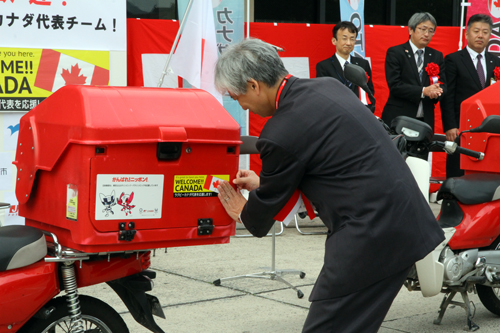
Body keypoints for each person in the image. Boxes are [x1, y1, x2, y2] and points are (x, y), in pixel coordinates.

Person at [213, 38, 445, 333]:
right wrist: (266, 182)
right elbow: (333, 164)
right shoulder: (327, 86)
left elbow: (261, 216)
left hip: (372, 233)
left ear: (254, 85)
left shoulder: (280, 130)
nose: (241, 104)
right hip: (404, 220)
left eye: (237, 96)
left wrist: (245, 211)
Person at [440, 14, 500, 178]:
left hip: (489, 128)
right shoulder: (453, 60)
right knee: (458, 168)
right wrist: (450, 126)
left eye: (485, 32)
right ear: (467, 34)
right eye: (476, 31)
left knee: (484, 170)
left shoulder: (495, 62)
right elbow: (448, 96)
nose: (480, 35)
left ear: (490, 36)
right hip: (462, 126)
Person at [381, 12, 446, 131]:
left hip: (425, 120)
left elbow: (443, 84)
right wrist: (423, 91)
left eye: (431, 31)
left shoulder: (436, 56)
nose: (426, 34)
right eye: (422, 29)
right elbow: (395, 85)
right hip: (399, 118)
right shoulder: (396, 53)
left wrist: (436, 92)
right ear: (411, 30)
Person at [316, 21, 376, 112]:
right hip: (336, 114)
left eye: (352, 39)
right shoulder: (324, 66)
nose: (348, 43)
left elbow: (369, 91)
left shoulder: (363, 64)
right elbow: (322, 95)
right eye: (344, 38)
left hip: (360, 113)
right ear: (334, 41)